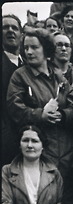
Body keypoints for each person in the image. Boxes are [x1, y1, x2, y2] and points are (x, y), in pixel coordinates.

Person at [6, 28, 73, 174]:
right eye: (26, 48)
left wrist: (63, 115)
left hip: (67, 152)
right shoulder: (20, 76)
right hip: (39, 152)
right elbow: (14, 108)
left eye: (34, 47)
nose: (29, 52)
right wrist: (40, 115)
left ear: (46, 48)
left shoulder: (59, 76)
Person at [2, 13, 22, 166]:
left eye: (14, 28)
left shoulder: (29, 63)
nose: (10, 30)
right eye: (5, 27)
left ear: (21, 34)